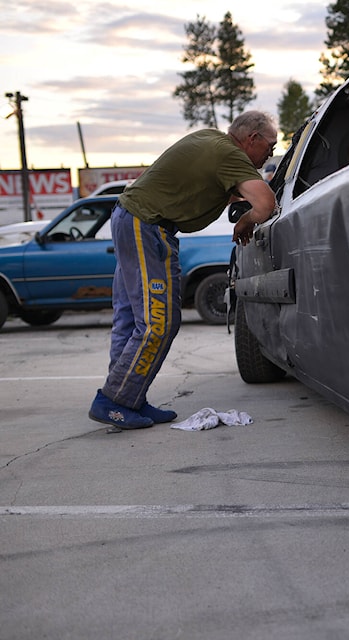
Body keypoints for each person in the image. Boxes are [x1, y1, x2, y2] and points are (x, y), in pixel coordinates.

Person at [88, 110, 278, 429]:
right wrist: (245, 221)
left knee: (131, 318)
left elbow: (213, 187)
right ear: (252, 139)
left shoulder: (211, 141)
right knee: (158, 322)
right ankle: (115, 400)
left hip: (130, 218)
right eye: (270, 146)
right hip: (146, 226)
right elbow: (265, 204)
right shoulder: (230, 155)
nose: (271, 153)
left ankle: (126, 398)